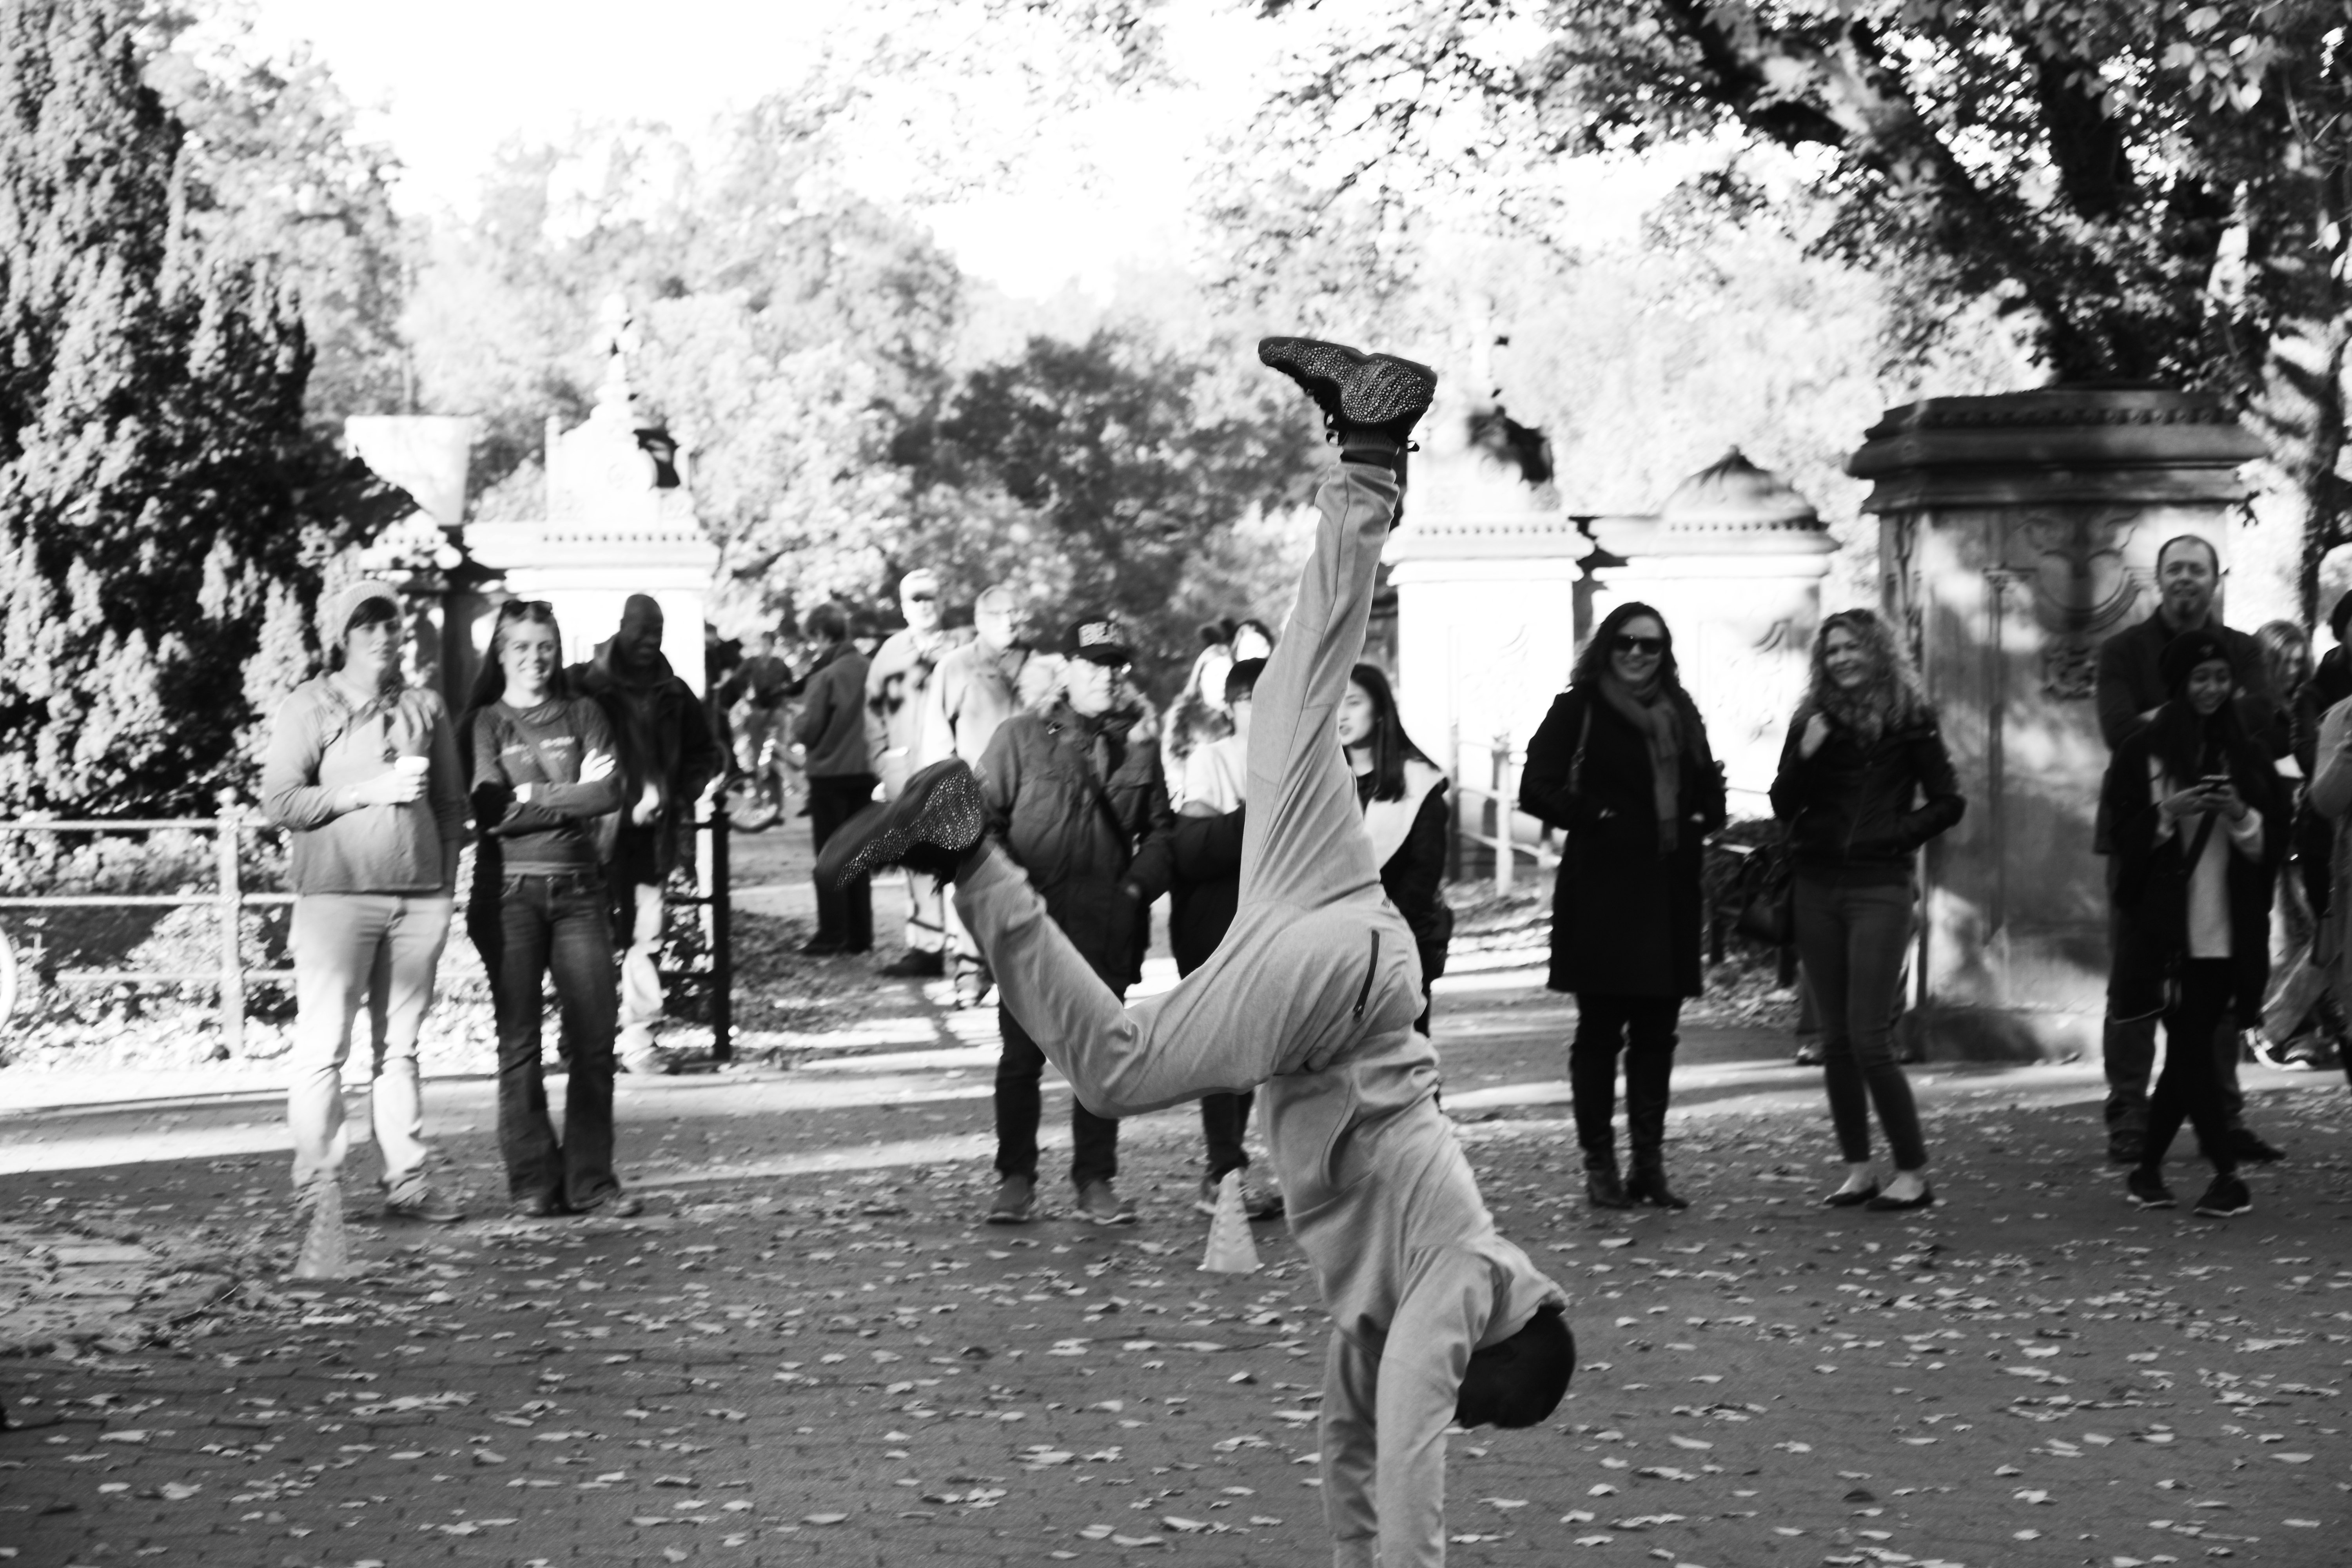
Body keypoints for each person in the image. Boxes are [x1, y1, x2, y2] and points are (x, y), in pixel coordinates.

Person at [818, 337, 1572, 1567]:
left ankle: (1369, 450)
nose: (1432, 1396)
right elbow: (1407, 1461)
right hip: (1337, 1000)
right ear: (1490, 1343)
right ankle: (966, 849)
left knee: (1280, 705)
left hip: (1346, 939)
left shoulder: (1384, 1307)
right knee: (1112, 1066)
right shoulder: (1463, 1283)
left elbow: (1348, 1452)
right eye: (1466, 1395)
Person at [261, 581, 468, 1237]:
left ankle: (406, 1183)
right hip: (336, 900)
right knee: (324, 1048)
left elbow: (452, 805)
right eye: (366, 624)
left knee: (400, 1052)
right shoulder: (311, 705)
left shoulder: (423, 707)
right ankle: (316, 1187)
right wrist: (364, 793)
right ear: (343, 636)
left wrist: (443, 884)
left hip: (418, 902)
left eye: (390, 623)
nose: (382, 635)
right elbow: (283, 801)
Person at [1519, 602, 1726, 1210]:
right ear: (1607, 647)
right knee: (1600, 1034)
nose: (1638, 654)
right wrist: (1600, 818)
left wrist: (1701, 812)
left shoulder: (1681, 710)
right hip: (1603, 892)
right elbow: (1537, 787)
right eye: (1627, 643)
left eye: (1652, 645)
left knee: (1659, 1035)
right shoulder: (1577, 708)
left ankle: (1650, 1166)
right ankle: (1600, 1166)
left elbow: (1708, 790)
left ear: (1666, 653)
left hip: (1668, 892)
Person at [971, 611, 1174, 1226]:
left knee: (1100, 1062)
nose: (1108, 677)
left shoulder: (1142, 745)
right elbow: (980, 824)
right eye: (1095, 665)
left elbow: (1163, 831)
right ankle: (1015, 1179)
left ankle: (1096, 1180)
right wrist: (1012, 892)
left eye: (1117, 666)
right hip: (1032, 929)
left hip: (1106, 928)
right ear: (1069, 670)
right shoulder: (1018, 737)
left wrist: (1138, 888)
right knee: (1020, 1059)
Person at [2092, 535, 2282, 1165]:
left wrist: (2173, 717)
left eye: (2196, 570)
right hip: (2147, 834)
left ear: (2214, 578)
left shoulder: (2245, 648)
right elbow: (2119, 729)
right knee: (2136, 977)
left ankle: (2222, 1114)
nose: (2185, 580)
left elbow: (2261, 718)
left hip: (2223, 837)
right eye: (2175, 569)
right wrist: (2198, 713)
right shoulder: (2122, 650)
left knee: (2218, 976)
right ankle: (2128, 1111)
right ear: (2159, 578)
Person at [1771, 609, 1964, 1212]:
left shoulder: (1911, 718)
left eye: (1853, 647)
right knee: (1835, 1040)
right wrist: (1804, 754)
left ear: (1877, 651)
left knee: (1869, 1037)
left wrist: (1895, 835)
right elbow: (1783, 802)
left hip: (1879, 887)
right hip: (1816, 885)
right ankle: (1859, 1169)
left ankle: (1913, 1172)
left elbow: (1949, 801)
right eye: (1832, 651)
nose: (1843, 659)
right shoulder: (1811, 719)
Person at [463, 601, 642, 1218]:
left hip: (580, 893)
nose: (535, 658)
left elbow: (611, 792)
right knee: (519, 1044)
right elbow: (491, 810)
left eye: (545, 646)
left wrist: (534, 796)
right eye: (521, 647)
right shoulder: (487, 723)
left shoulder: (585, 712)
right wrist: (572, 798)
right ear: (501, 654)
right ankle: (533, 1182)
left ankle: (591, 1182)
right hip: (508, 895)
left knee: (594, 1041)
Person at [571, 593, 722, 1076]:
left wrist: (681, 794)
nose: (649, 641)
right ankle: (582, 1038)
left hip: (650, 835)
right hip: (592, 832)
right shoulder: (584, 685)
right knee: (585, 938)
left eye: (657, 631)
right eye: (642, 630)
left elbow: (707, 752)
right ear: (622, 627)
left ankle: (638, 1039)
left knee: (644, 938)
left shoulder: (675, 693)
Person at [1172, 655, 1281, 1220]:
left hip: (1282, 920)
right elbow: (1195, 846)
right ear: (1233, 706)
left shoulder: (1302, 754)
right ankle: (1223, 1171)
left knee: (1275, 1047)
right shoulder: (1212, 757)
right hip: (1220, 921)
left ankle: (1271, 1168)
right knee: (1227, 1049)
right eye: (1255, 698)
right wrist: (1258, 817)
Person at [920, 584, 1058, 1004]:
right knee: (974, 879)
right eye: (999, 614)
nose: (1010, 621)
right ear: (980, 620)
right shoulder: (955, 667)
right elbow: (937, 737)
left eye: (1016, 612)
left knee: (1029, 885)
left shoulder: (1045, 667)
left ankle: (1019, 978)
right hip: (975, 795)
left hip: (1033, 799)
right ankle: (970, 972)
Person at [866, 568, 971, 980]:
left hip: (955, 773)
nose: (925, 606)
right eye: (917, 599)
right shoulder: (890, 653)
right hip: (906, 772)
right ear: (904, 606)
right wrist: (883, 764)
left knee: (963, 862)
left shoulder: (965, 648)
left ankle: (970, 956)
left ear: (943, 601)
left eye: (931, 597)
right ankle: (926, 950)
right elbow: (872, 715)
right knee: (917, 863)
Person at [2251, 619, 2347, 1070]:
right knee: (2301, 941)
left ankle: (2292, 1027)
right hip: (2278, 836)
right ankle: (2275, 1028)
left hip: (2312, 835)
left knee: (2319, 937)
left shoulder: (2306, 702)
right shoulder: (2256, 710)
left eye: (2297, 660)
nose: (2291, 669)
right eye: (2282, 661)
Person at [1339, 663, 1454, 1035]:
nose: (1341, 713)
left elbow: (1424, 871)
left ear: (1380, 710)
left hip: (1401, 943)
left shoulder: (1418, 783)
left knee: (1404, 1060)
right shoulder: (1321, 783)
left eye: (1353, 702)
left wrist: (1382, 928)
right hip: (1333, 948)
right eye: (1335, 703)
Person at [793, 604, 877, 957]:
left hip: (830, 775)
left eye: (813, 640)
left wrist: (794, 722)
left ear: (822, 635)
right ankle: (861, 933)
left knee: (830, 856)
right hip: (867, 773)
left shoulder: (825, 676)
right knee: (859, 855)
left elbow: (808, 731)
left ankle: (832, 932)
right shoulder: (871, 669)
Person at [719, 628, 797, 821]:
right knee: (758, 760)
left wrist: (782, 697)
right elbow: (736, 681)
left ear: (773, 645)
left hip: (776, 713)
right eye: (762, 644)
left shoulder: (781, 665)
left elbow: (791, 686)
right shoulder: (752, 663)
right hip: (758, 713)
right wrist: (746, 697)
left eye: (767, 644)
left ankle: (776, 808)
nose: (764, 648)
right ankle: (761, 804)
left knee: (776, 760)